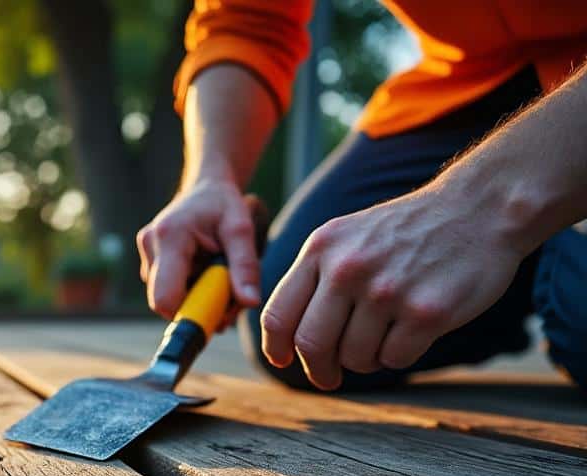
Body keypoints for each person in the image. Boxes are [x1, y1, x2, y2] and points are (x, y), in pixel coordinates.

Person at [137, 1, 587, 391]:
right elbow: (245, 21)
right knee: (300, 321)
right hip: (469, 81)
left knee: (580, 317)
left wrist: (482, 208)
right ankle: (528, 274)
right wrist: (210, 177)